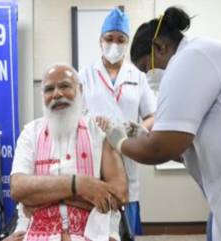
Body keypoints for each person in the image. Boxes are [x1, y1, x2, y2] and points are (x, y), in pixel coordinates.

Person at [105, 6, 221, 241]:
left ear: (159, 47)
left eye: (146, 68)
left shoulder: (189, 60)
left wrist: (121, 142)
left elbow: (161, 148)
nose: (148, 76)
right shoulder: (202, 56)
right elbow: (188, 149)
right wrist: (144, 134)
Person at [10, 64, 128, 241]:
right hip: (37, 231)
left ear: (79, 90)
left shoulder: (98, 132)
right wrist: (80, 185)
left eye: (64, 86)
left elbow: (120, 194)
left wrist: (43, 198)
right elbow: (18, 188)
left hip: (93, 231)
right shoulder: (30, 133)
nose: (56, 94)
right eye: (49, 89)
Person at [79, 7, 156, 235]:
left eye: (120, 39)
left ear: (127, 42)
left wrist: (138, 128)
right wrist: (91, 122)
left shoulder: (138, 77)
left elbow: (153, 115)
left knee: (125, 229)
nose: (114, 44)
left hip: (128, 158)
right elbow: (75, 116)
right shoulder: (85, 75)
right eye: (109, 38)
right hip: (94, 160)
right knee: (96, 229)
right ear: (100, 40)